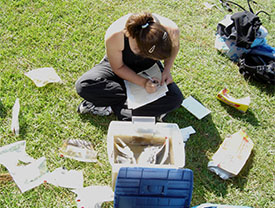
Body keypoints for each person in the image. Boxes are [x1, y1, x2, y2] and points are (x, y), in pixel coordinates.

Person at [75, 12, 183, 121]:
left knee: (175, 98)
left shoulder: (171, 30)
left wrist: (166, 70)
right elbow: (118, 67)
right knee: (84, 85)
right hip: (119, 66)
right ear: (142, 51)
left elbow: (173, 50)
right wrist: (143, 83)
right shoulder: (116, 35)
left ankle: (113, 107)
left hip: (149, 70)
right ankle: (133, 111)